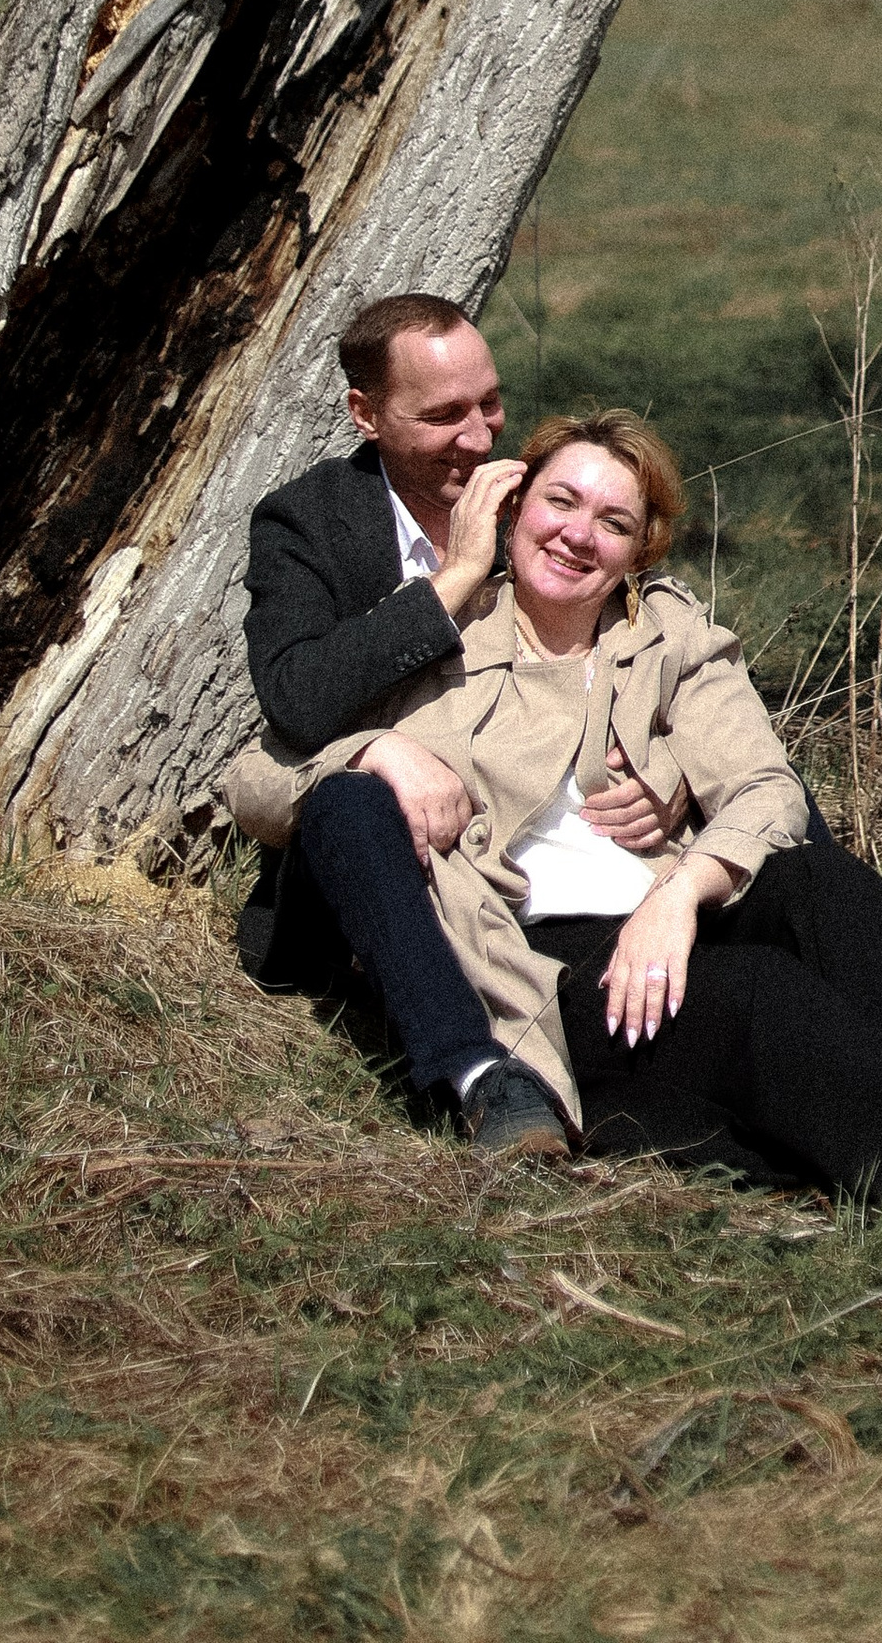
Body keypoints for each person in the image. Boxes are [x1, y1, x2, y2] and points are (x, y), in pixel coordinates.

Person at [228, 402, 882, 1245]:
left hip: (664, 909)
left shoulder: (671, 638)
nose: (577, 536)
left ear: (639, 552)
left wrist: (684, 891)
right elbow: (260, 780)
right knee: (757, 993)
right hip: (542, 965)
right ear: (514, 510)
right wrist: (376, 752)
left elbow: (770, 792)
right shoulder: (435, 637)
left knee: (811, 877)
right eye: (560, 502)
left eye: (613, 521)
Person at [238, 293, 686, 1157]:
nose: (480, 439)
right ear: (365, 416)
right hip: (381, 870)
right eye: (442, 415)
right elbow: (293, 698)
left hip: (538, 854)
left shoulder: (543, 503)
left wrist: (668, 780)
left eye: (489, 403)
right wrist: (459, 579)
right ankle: (481, 1076)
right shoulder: (308, 525)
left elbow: (651, 652)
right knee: (349, 804)